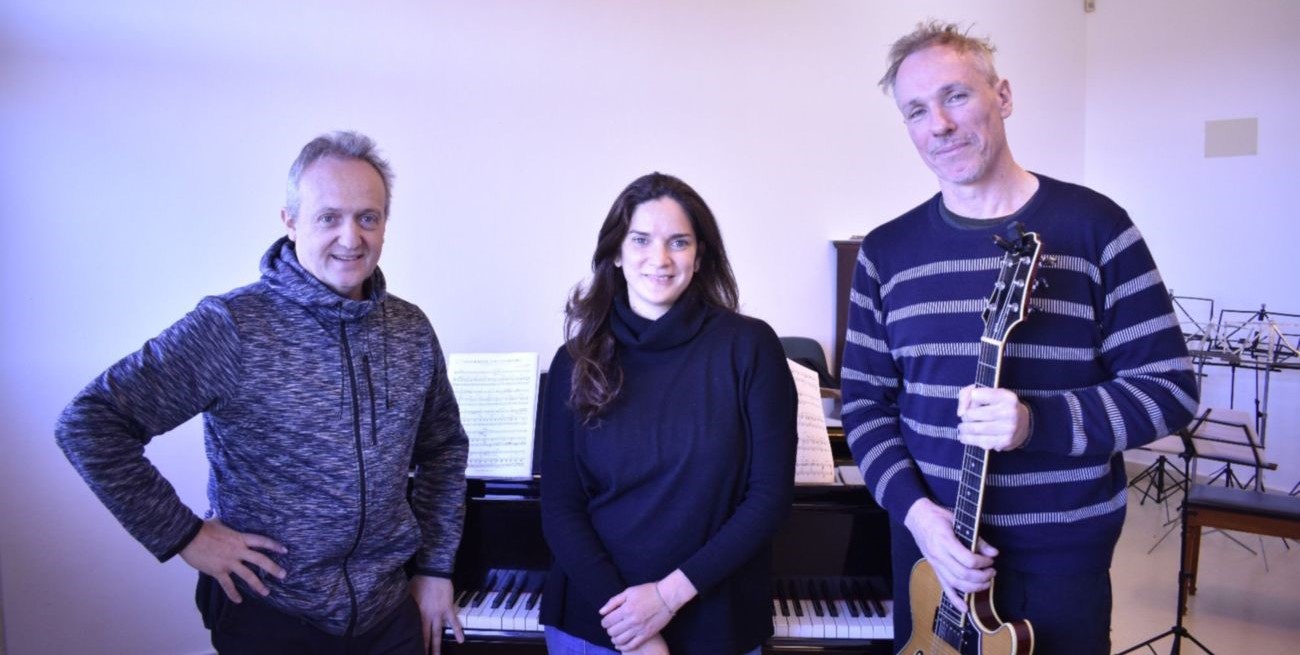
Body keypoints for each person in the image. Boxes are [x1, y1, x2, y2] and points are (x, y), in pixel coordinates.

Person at [840, 22, 1199, 655]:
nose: (939, 125)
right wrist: (920, 520)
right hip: (931, 555)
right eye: (916, 111)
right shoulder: (885, 253)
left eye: (955, 96)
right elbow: (866, 407)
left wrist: (1035, 422)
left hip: (1059, 562)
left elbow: (1169, 390)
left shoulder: (1096, 227)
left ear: (1002, 96)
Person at [56, 131, 470, 654]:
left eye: (368, 217)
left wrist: (435, 568)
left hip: (387, 617)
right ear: (290, 221)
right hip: (269, 614)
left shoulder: (411, 330)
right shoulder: (232, 326)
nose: (351, 237)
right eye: (329, 217)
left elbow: (443, 449)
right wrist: (186, 536)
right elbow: (90, 422)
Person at [540, 173, 797, 655]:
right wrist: (631, 627)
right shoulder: (574, 361)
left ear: (699, 256)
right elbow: (560, 508)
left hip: (716, 624)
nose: (659, 259)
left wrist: (665, 598)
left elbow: (768, 498)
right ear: (617, 252)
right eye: (641, 240)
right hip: (598, 624)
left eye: (679, 242)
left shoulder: (750, 347)